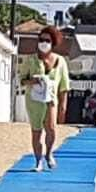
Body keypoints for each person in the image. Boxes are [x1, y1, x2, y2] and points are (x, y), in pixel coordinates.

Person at [20, 25, 71, 170]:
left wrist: (63, 105)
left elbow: (64, 86)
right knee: (36, 132)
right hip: (34, 101)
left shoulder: (60, 62)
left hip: (51, 101)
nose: (44, 43)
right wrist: (32, 81)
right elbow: (22, 79)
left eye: (47, 40)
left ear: (53, 42)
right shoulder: (30, 60)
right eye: (41, 39)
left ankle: (49, 154)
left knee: (51, 129)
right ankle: (38, 161)